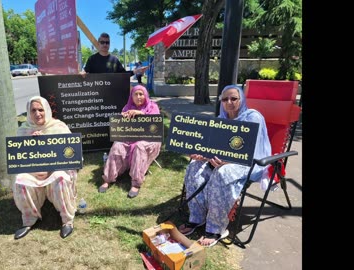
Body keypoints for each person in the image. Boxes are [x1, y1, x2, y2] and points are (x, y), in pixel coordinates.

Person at [177, 85, 271, 247]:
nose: (229, 102)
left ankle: (216, 229)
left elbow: (252, 149)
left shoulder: (252, 117)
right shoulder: (221, 120)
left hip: (250, 162)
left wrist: (227, 161)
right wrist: (200, 154)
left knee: (222, 172)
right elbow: (211, 148)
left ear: (241, 100)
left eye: (234, 98)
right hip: (222, 161)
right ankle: (197, 218)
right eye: (225, 99)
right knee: (194, 165)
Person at [12, 96, 78, 240]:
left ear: (46, 110)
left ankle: (67, 220)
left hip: (55, 169)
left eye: (40, 110)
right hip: (33, 170)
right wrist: (31, 142)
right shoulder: (23, 130)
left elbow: (71, 154)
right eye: (33, 110)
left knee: (60, 178)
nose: (37, 114)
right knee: (21, 181)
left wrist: (47, 142)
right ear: (28, 112)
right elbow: (19, 158)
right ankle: (29, 219)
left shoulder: (59, 127)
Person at [98, 84, 162, 198]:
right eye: (136, 94)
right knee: (117, 145)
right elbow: (123, 128)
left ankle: (136, 183)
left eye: (141, 94)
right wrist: (123, 118)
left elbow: (155, 126)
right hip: (130, 136)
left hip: (149, 139)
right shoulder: (127, 107)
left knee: (139, 147)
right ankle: (108, 178)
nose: (139, 97)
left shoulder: (153, 107)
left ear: (145, 95)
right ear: (131, 96)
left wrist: (141, 114)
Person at [81, 33, 148, 75]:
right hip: (97, 95)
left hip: (112, 95)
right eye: (102, 42)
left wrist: (137, 70)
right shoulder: (92, 59)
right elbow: (85, 72)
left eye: (107, 42)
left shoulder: (115, 60)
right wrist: (81, 74)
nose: (105, 44)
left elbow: (123, 75)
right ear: (98, 43)